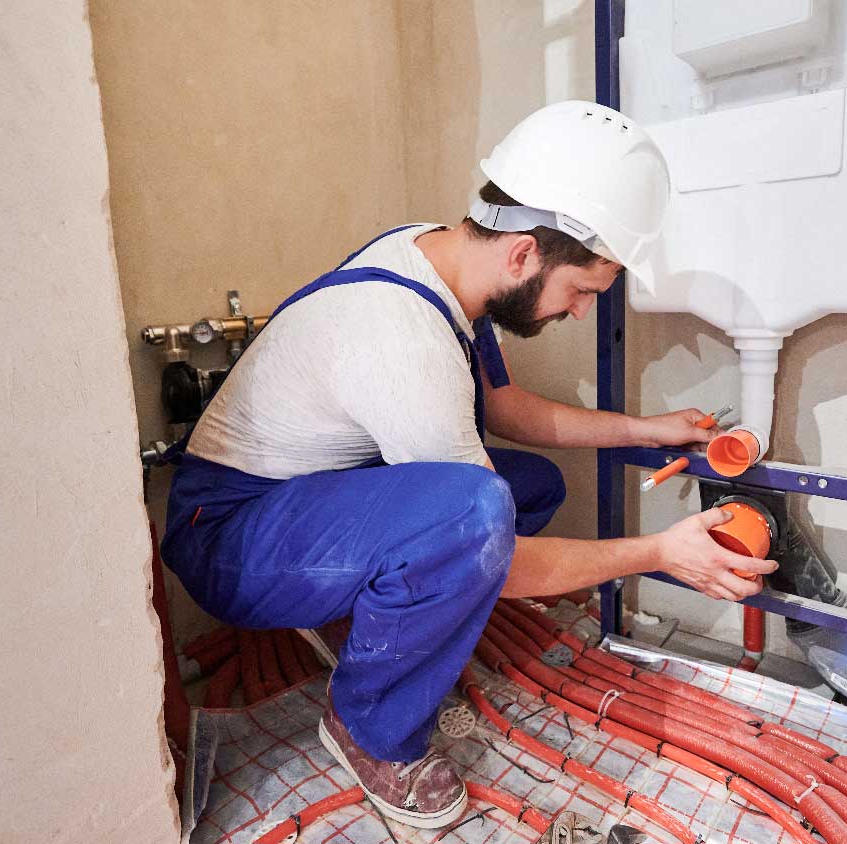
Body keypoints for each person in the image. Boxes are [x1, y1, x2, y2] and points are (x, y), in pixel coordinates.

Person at [160, 100, 775, 828]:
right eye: (580, 291)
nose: (580, 312)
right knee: (479, 514)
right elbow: (495, 554)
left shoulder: (443, 257)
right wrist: (656, 553)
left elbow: (505, 407)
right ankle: (367, 727)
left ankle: (363, 624)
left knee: (526, 488)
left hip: (303, 499)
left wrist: (647, 426)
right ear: (523, 255)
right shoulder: (402, 340)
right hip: (229, 537)